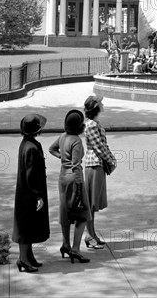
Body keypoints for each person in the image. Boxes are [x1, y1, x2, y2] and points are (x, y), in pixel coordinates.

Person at [49, 110, 91, 264]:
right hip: (74, 179)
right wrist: (80, 188)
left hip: (62, 178)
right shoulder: (77, 141)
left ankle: (65, 244)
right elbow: (76, 166)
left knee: (65, 212)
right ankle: (75, 249)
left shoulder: (62, 136)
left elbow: (51, 149)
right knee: (83, 214)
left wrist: (62, 158)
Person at [13, 113, 50, 273]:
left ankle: (29, 256)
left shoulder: (27, 144)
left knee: (29, 227)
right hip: (28, 194)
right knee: (26, 229)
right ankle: (23, 259)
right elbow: (31, 175)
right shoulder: (32, 148)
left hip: (26, 193)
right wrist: (38, 196)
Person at [83, 95, 117, 249]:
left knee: (93, 203)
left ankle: (92, 233)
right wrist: (111, 160)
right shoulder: (91, 125)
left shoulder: (94, 123)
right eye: (100, 103)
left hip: (97, 164)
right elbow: (99, 147)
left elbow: (102, 145)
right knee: (91, 202)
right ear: (96, 107)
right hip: (94, 164)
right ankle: (89, 235)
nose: (103, 104)